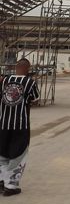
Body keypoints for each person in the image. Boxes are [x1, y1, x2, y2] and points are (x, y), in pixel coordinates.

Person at [0, 58, 40, 196]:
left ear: (16, 68)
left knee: (2, 153)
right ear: (28, 69)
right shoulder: (30, 82)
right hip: (20, 125)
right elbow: (35, 99)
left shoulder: (4, 80)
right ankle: (10, 185)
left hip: (3, 123)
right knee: (18, 154)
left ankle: (1, 180)